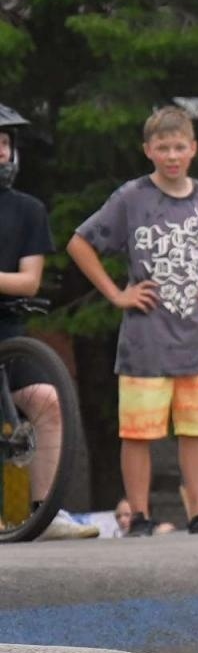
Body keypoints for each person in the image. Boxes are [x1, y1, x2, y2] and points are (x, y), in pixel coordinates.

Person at [66, 105, 198, 537]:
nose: (171, 155)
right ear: (148, 150)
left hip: (194, 337)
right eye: (162, 147)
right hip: (145, 339)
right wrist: (116, 293)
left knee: (197, 430)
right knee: (138, 431)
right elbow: (79, 243)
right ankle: (141, 516)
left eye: (179, 147)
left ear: (193, 149)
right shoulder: (132, 197)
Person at [0, 103, 96, 542]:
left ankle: (45, 513)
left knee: (47, 400)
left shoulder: (28, 210)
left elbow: (29, 280)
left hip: (8, 331)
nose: (0, 152)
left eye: (4, 144)